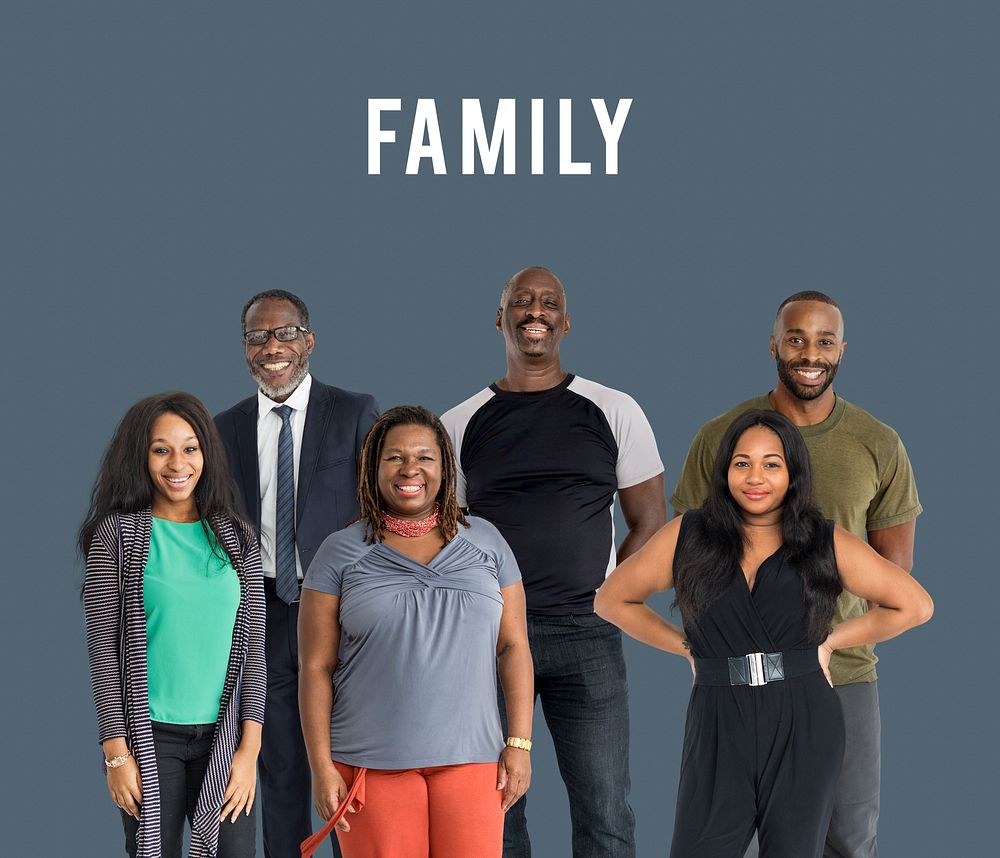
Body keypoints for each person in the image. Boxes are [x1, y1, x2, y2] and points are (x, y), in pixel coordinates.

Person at [596, 409, 932, 858]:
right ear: (725, 471)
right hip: (718, 716)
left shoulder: (822, 541)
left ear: (792, 472)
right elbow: (611, 599)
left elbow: (915, 605)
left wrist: (832, 641)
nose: (756, 477)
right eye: (742, 463)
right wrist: (686, 647)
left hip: (804, 716)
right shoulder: (689, 535)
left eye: (771, 464)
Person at [670, 291, 922, 858]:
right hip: (735, 678)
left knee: (848, 837)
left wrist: (832, 640)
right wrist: (702, 647)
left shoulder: (877, 443)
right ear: (774, 345)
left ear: (843, 350)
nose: (810, 353)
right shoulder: (721, 437)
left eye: (825, 341)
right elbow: (691, 556)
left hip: (843, 675)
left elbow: (895, 573)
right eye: (796, 338)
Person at [441, 266, 666, 858]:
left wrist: (611, 594)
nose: (533, 310)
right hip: (489, 638)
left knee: (606, 810)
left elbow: (649, 520)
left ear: (565, 322)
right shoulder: (459, 424)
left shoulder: (614, 409)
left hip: (587, 634)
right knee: (495, 808)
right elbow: (446, 538)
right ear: (500, 319)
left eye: (547, 302)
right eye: (520, 301)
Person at [297, 405, 534, 858]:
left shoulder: (487, 542)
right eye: (395, 457)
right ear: (373, 468)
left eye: (425, 457)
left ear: (445, 468)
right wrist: (321, 766)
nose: (411, 469)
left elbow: (513, 646)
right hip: (368, 763)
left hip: (472, 760)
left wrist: (519, 743)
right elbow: (315, 666)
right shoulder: (339, 552)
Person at [215, 289, 379, 858]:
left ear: (308, 341)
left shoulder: (355, 411)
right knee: (277, 760)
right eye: (257, 336)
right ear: (244, 350)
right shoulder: (223, 428)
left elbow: (380, 508)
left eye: (284, 333)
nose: (272, 347)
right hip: (260, 610)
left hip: (339, 609)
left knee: (346, 757)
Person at [81, 392, 266, 858]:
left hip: (224, 740)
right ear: (141, 456)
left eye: (190, 448)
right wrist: (116, 755)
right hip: (150, 740)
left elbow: (255, 652)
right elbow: (103, 651)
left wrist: (249, 752)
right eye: (161, 449)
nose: (177, 462)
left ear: (206, 454)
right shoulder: (116, 536)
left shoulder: (237, 536)